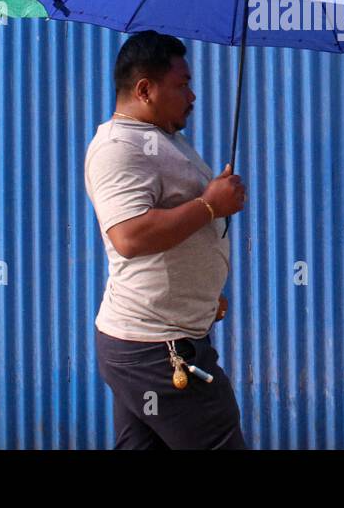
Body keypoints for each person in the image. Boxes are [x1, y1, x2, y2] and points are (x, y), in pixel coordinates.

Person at [85, 29, 249, 449]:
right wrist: (210, 205)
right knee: (217, 435)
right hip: (157, 347)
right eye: (182, 85)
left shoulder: (160, 139)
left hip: (153, 338)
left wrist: (201, 295)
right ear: (144, 89)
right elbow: (129, 235)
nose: (192, 96)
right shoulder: (119, 148)